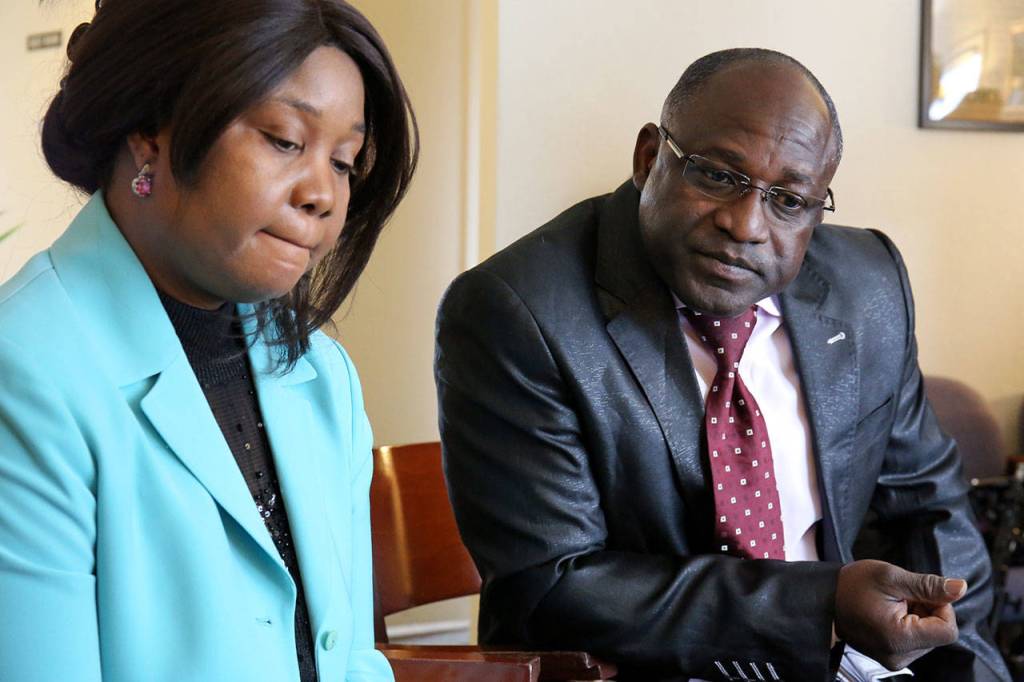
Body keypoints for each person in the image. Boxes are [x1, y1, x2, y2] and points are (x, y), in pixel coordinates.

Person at [435, 49, 1010, 681]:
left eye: (789, 200)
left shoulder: (867, 286)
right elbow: (550, 586)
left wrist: (966, 665)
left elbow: (930, 507)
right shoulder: (520, 312)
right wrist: (823, 606)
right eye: (716, 175)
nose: (745, 225)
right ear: (649, 158)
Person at [0, 1, 416, 680]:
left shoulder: (324, 376)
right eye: (284, 139)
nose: (322, 194)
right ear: (149, 132)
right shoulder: (23, 371)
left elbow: (352, 663)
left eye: (343, 161)